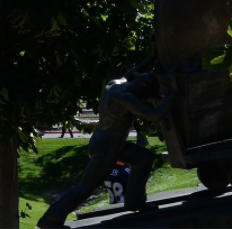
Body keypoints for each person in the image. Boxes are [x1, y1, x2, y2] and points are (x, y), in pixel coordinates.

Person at [37, 67, 176, 228]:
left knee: (144, 158)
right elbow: (154, 115)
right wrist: (174, 92)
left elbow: (132, 72)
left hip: (106, 142)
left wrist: (152, 57)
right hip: (108, 147)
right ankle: (50, 219)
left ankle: (134, 201)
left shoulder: (114, 84)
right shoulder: (126, 99)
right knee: (86, 186)